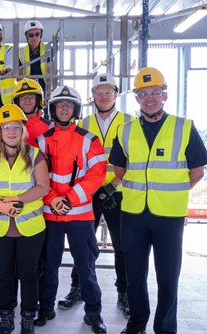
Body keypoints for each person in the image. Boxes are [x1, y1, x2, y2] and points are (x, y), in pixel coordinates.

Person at [109, 67, 207, 334]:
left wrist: (172, 191)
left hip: (169, 217)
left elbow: (197, 170)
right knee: (135, 276)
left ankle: (165, 328)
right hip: (132, 214)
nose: (149, 98)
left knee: (167, 278)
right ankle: (136, 323)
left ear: (164, 95)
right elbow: (119, 169)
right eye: (143, 93)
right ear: (137, 98)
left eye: (155, 92)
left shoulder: (184, 127)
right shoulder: (126, 130)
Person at [57, 73, 134, 318]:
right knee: (84, 246)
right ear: (92, 96)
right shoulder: (83, 123)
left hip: (118, 193)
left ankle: (124, 292)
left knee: (122, 246)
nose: (103, 96)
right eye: (99, 92)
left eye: (108, 91)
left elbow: (135, 159)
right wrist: (92, 189)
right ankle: (77, 288)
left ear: (116, 94)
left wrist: (112, 187)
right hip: (87, 193)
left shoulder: (130, 122)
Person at [36, 86, 108, 333]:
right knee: (49, 265)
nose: (64, 108)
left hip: (80, 215)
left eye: (69, 105)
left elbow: (98, 173)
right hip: (50, 214)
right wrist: (54, 199)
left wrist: (69, 199)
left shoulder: (89, 140)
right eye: (59, 105)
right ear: (52, 109)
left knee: (85, 267)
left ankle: (93, 312)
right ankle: (46, 308)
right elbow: (35, 176)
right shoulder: (41, 141)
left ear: (75, 109)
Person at [0, 104, 50, 334]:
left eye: (16, 127)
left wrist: (16, 199)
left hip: (30, 226)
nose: (11, 131)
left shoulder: (35, 155)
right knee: (2, 275)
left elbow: (43, 187)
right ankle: (6, 316)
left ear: (23, 130)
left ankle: (27, 317)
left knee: (29, 275)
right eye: (6, 127)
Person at [12, 78, 50, 147]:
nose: (27, 100)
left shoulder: (50, 127)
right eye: (23, 97)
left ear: (38, 100)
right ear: (16, 102)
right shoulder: (9, 127)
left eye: (31, 97)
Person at [19, 20, 52, 96]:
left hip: (45, 88)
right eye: (31, 35)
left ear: (41, 35)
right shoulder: (20, 53)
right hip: (28, 89)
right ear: (26, 36)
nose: (34, 37)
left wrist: (48, 93)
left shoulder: (48, 49)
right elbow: (19, 77)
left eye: (37, 34)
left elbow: (50, 73)